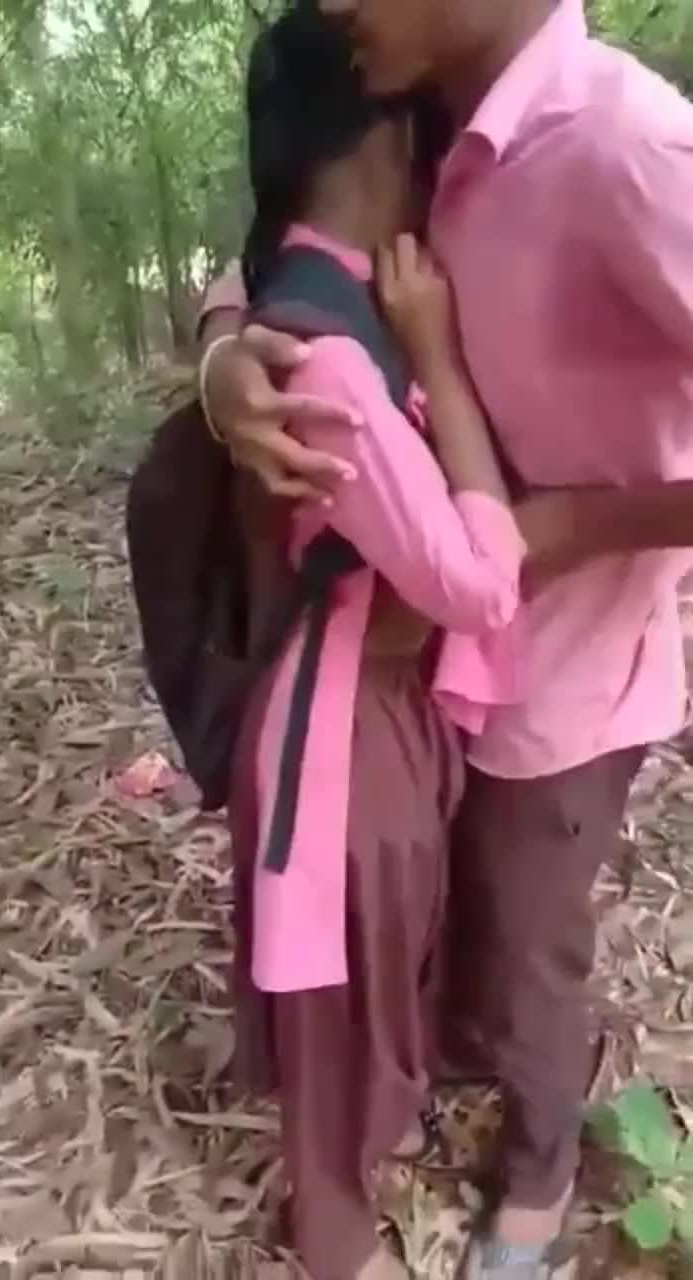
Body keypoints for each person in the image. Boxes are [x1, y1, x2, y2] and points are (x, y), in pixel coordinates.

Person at [199, 1, 693, 1277]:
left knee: (529, 940)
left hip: (562, 660)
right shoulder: (428, 108)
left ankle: (536, 1176)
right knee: (458, 904)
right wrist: (223, 356)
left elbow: (497, 557)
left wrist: (572, 525)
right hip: (436, 655)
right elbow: (285, 237)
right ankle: (439, 1070)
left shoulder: (623, 151)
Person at [225, 8, 528, 1280]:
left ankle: (353, 1183)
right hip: (342, 724)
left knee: (370, 973)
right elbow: (477, 583)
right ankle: (337, 1244)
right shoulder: (333, 353)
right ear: (381, 141)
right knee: (345, 1008)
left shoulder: (316, 301)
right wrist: (439, 362)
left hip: (369, 703)